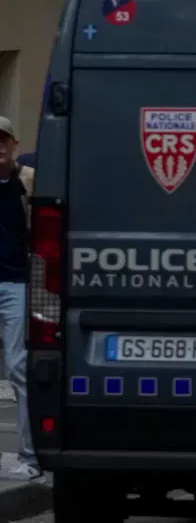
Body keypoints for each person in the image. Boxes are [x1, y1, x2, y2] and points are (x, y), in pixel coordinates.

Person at [0, 118, 37, 480]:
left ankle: (30, 456)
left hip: (15, 284)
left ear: (13, 145)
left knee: (18, 368)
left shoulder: (27, 181)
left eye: (3, 141)